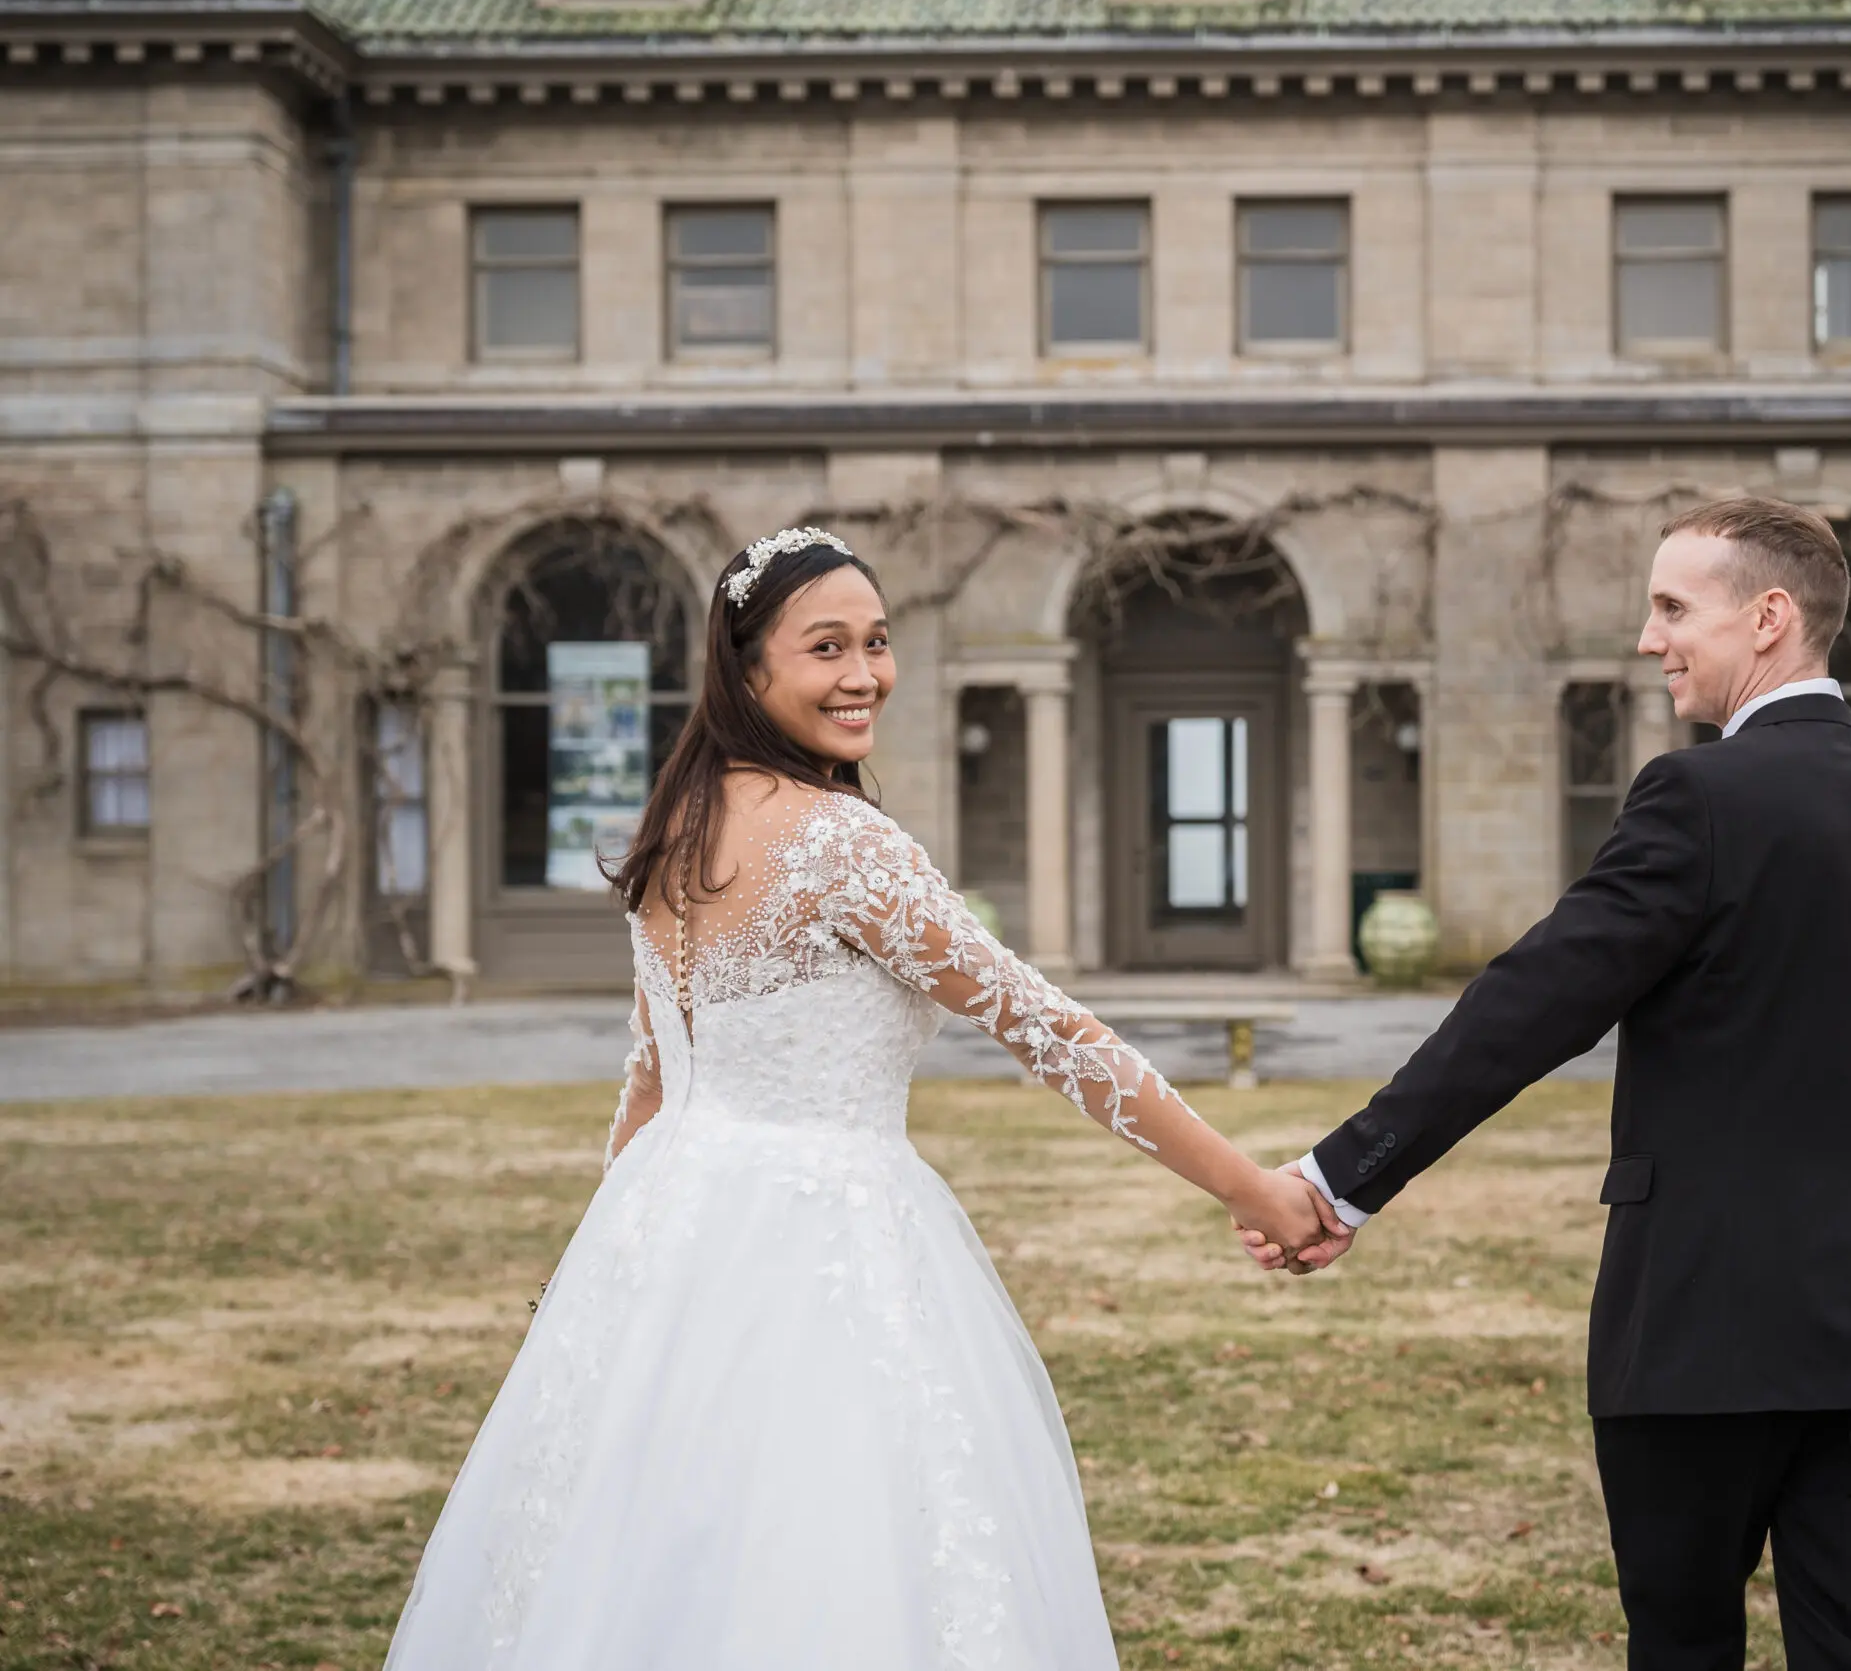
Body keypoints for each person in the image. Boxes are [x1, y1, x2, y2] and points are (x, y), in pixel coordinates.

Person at [384, 526, 1346, 1670]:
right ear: (747, 671)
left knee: (655, 1555)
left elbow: (649, 1083)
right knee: (833, 1550)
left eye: (878, 643)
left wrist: (606, 1256)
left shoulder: (675, 828)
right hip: (819, 1246)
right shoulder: (840, 845)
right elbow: (1047, 1031)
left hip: (661, 1239)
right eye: (824, 648)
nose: (862, 675)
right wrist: (1260, 1191)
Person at [1243, 497, 1851, 1671]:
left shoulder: (1695, 800)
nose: (1650, 640)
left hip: (1706, 1336)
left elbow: (1528, 1006)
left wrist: (1342, 1179)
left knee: (1682, 1650)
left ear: (1770, 618)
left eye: (1672, 608)